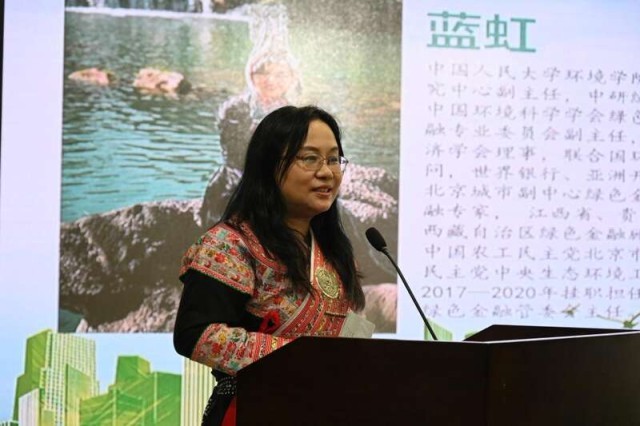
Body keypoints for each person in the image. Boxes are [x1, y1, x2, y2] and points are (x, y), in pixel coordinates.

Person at [174, 105, 366, 425]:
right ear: (269, 166)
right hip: (252, 409)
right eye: (310, 158)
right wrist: (304, 359)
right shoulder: (230, 244)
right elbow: (196, 335)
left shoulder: (332, 253)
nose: (327, 172)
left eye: (334, 159)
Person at [200, 50, 302, 227]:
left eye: (280, 74)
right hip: (235, 185)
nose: (270, 80)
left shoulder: (295, 114)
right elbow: (235, 157)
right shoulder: (235, 108)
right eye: (263, 73)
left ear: (292, 78)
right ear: (252, 76)